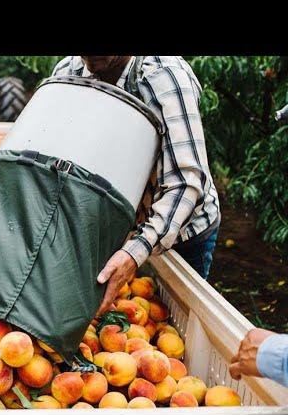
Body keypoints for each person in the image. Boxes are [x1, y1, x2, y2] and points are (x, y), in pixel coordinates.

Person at [51, 56, 221, 316]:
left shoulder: (163, 77)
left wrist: (133, 253)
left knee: (174, 314)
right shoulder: (68, 74)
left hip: (182, 228)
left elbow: (185, 183)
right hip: (120, 220)